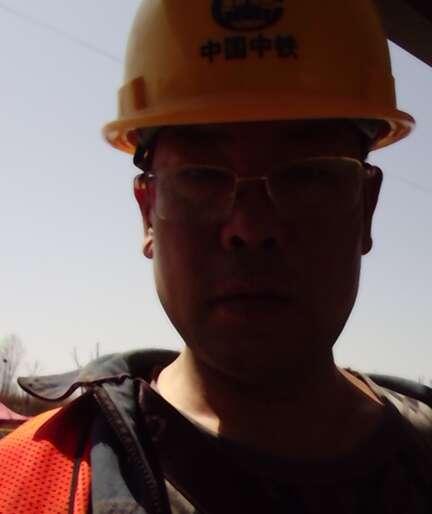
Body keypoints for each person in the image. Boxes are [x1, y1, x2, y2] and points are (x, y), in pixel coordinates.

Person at [1, 1, 432, 513]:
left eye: (308, 175)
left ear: (366, 208)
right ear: (147, 213)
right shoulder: (23, 487)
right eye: (201, 177)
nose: (251, 228)